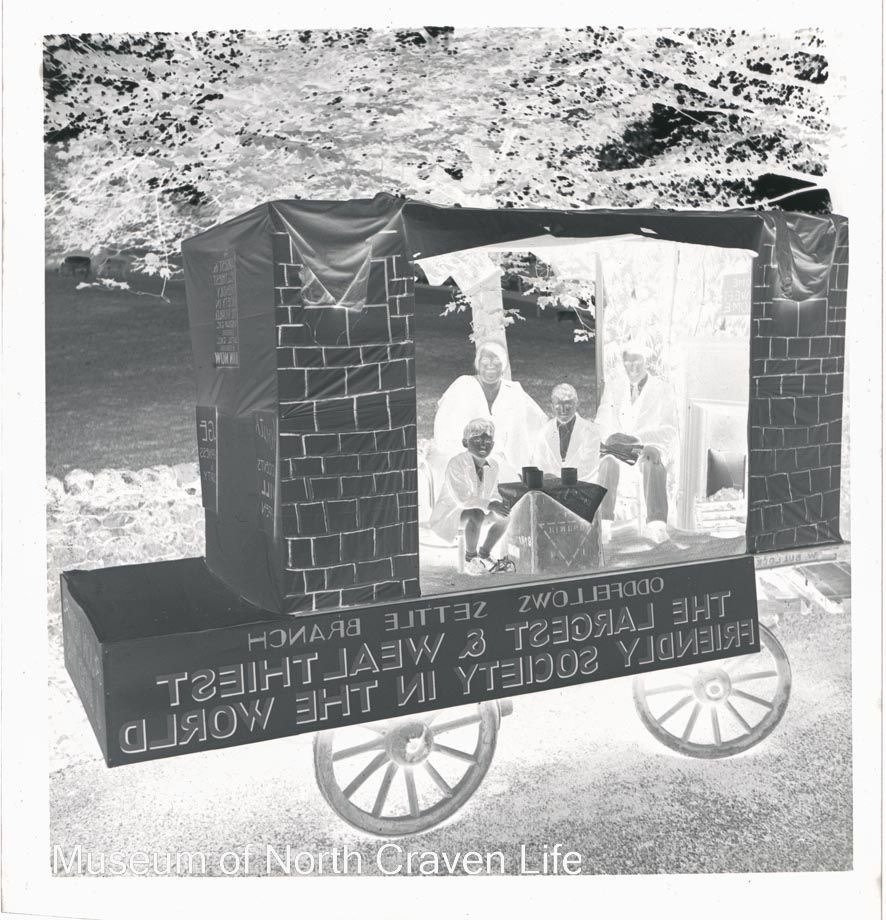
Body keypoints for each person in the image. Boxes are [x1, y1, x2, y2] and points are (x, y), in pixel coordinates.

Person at [593, 340, 679, 542]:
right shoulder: (614, 387)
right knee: (607, 462)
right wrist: (610, 437)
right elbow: (601, 421)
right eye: (628, 363)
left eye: (637, 362)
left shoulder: (663, 389)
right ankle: (604, 525)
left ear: (645, 361)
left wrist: (639, 440)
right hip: (617, 451)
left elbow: (669, 430)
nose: (632, 368)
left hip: (646, 448)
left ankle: (657, 525)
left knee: (652, 460)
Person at [429, 340, 547, 487]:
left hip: (499, 458)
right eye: (485, 361)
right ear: (477, 365)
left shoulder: (513, 390)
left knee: (508, 485)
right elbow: (445, 427)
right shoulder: (463, 385)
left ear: (503, 366)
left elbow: (536, 420)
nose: (490, 366)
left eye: (496, 362)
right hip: (463, 454)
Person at [428, 419, 512, 575]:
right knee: (476, 514)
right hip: (451, 512)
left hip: (478, 509)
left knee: (505, 517)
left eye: (488, 442)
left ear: (493, 445)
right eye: (477, 441)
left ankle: (484, 554)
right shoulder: (456, 463)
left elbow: (493, 492)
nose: (483, 446)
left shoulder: (493, 465)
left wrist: (499, 504)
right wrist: (490, 505)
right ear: (465, 443)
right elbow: (462, 499)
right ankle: (470, 559)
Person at [531, 383, 601, 482]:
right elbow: (539, 463)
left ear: (577, 404)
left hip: (583, 485)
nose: (563, 411)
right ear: (552, 407)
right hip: (550, 486)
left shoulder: (590, 431)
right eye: (558, 407)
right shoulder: (544, 431)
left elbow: (588, 468)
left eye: (568, 407)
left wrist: (562, 481)